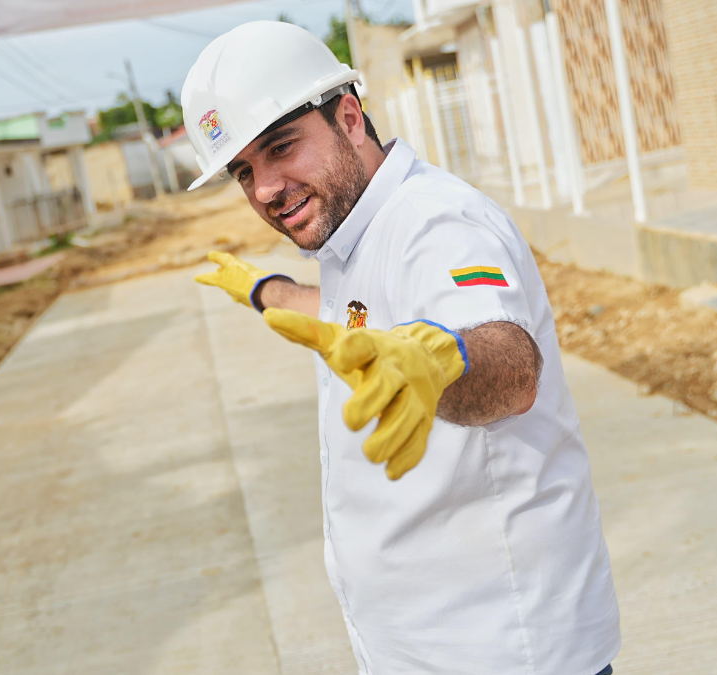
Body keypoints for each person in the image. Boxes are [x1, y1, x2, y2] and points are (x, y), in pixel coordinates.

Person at [184, 21, 620, 675]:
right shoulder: (355, 229)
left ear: (350, 117)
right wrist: (266, 290)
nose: (266, 189)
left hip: (501, 643)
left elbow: (510, 358)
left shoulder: (436, 223)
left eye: (280, 148)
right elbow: (355, 321)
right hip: (419, 643)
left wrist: (444, 360)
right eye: (245, 171)